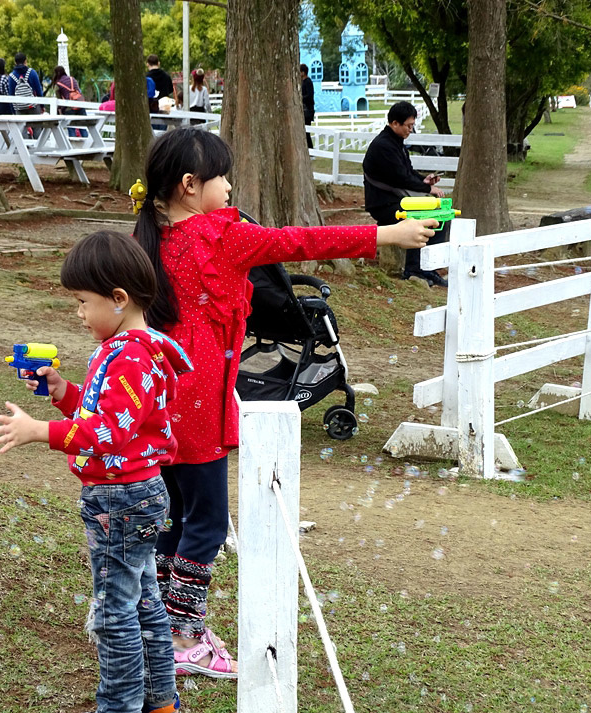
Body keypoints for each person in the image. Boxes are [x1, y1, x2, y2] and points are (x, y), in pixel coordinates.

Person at [132, 128, 436, 678]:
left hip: (161, 400)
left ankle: (150, 617)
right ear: (189, 186)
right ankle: (180, 633)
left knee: (173, 518)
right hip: (200, 405)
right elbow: (303, 241)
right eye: (222, 177)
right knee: (207, 523)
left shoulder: (152, 238)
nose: (229, 188)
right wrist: (388, 236)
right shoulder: (222, 238)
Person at [0, 231, 192, 713]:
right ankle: (161, 702)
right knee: (143, 603)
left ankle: (118, 706)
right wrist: (62, 391)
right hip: (138, 494)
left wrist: (40, 430)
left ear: (118, 299)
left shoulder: (131, 355)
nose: (78, 313)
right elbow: (116, 414)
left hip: (119, 501)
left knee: (113, 613)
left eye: (83, 302)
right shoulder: (138, 346)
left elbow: (107, 434)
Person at [362, 101, 449, 287]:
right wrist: (428, 189)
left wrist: (424, 180)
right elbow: (400, 179)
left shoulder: (396, 143)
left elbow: (407, 173)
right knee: (428, 216)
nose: (411, 130)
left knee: (441, 215)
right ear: (395, 123)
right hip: (384, 205)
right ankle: (415, 268)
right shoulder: (384, 146)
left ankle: (428, 267)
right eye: (408, 125)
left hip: (395, 200)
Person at [51, 65, 87, 137]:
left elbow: (59, 100)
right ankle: (87, 144)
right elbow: (78, 91)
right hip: (80, 105)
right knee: (83, 127)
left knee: (71, 128)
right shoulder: (73, 79)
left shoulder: (58, 84)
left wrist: (60, 110)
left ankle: (73, 146)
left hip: (69, 108)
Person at [301, 64, 315, 150]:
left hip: (308, 110)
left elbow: (309, 95)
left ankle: (311, 150)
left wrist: (301, 98)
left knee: (307, 131)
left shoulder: (308, 82)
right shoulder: (302, 82)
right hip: (304, 109)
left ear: (303, 72)